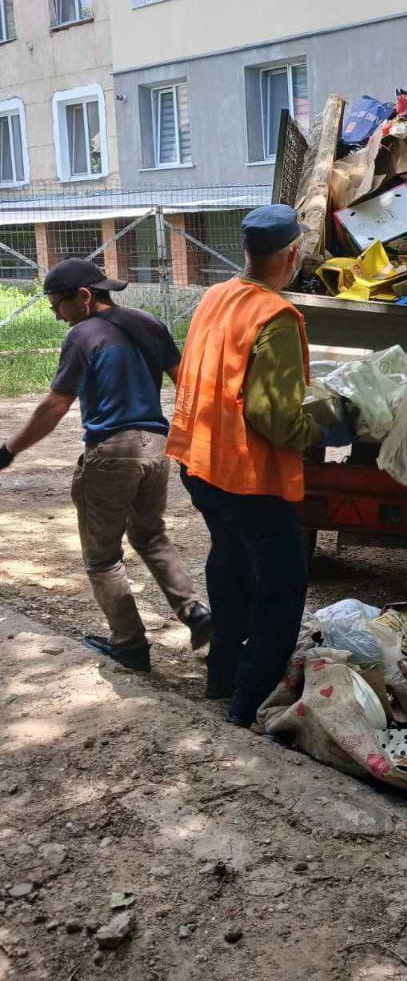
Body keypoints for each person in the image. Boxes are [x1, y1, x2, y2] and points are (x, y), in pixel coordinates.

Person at [167, 203, 337, 728]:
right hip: (248, 477)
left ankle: (221, 677)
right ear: (291, 254)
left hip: (200, 465)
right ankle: (249, 702)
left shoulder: (215, 296)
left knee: (230, 566)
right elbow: (275, 418)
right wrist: (327, 424)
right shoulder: (276, 316)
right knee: (281, 588)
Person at [0, 258, 210, 671]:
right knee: (150, 536)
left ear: (83, 297)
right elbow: (187, 383)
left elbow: (55, 406)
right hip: (156, 448)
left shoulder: (83, 335)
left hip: (112, 452)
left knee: (102, 557)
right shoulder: (149, 323)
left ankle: (129, 644)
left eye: (56, 304)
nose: (57, 314)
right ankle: (196, 613)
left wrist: (10, 450)